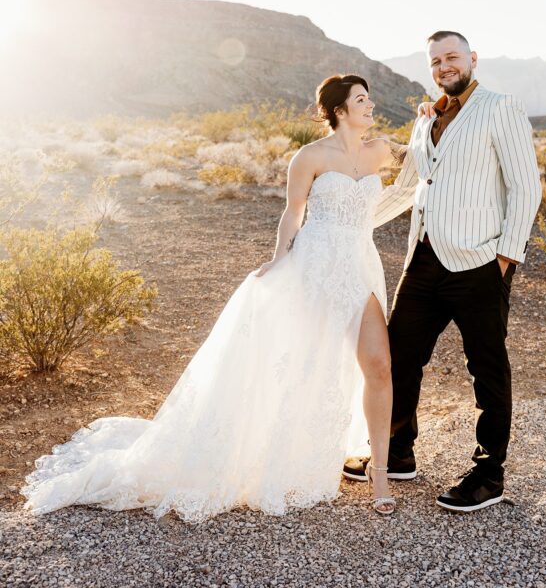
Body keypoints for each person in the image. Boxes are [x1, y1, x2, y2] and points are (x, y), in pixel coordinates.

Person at [22, 75, 408, 520]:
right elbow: (293, 213)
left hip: (361, 266)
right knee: (304, 366)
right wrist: (279, 259)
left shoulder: (380, 149)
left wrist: (424, 119)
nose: (371, 105)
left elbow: (419, 162)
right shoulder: (310, 157)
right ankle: (281, 456)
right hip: (316, 268)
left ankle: (379, 474)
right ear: (340, 109)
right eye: (362, 100)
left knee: (379, 366)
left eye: (369, 99)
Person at [344, 31, 542, 512]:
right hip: (424, 258)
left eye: (452, 57)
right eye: (435, 60)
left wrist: (504, 258)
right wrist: (342, 225)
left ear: (472, 59)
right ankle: (398, 451)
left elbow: (526, 186)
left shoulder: (501, 107)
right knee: (399, 356)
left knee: (487, 369)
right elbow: (410, 187)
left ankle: (488, 475)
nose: (443, 66)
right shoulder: (427, 117)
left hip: (479, 262)